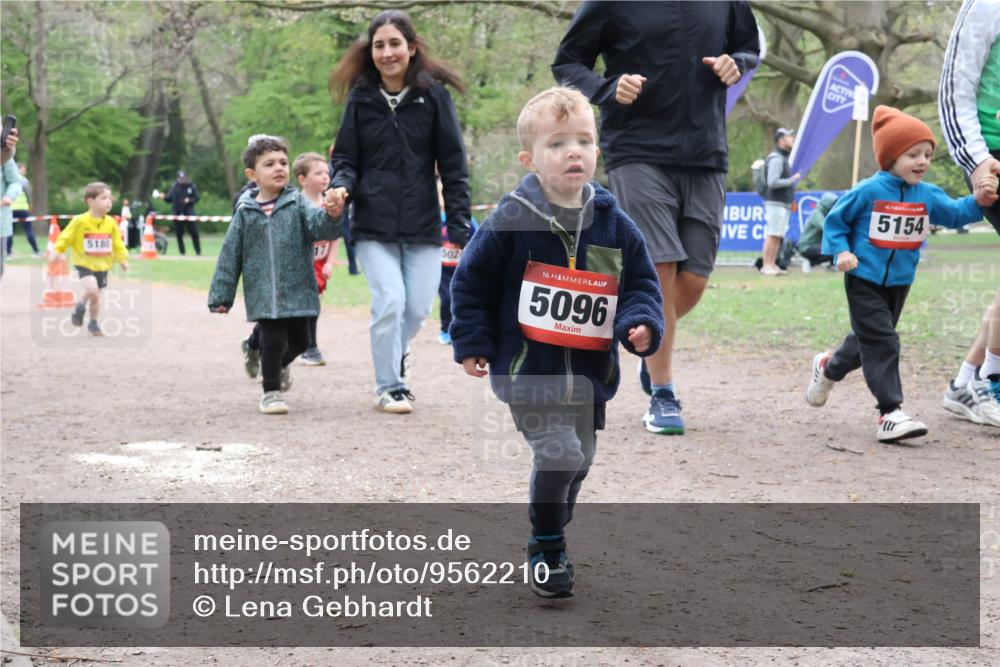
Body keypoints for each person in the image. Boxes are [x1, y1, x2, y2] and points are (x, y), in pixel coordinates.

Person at [450, 87, 663, 598]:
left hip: (590, 377)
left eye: (584, 141)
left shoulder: (615, 222)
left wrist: (640, 322)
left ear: (598, 150)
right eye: (557, 143)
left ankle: (553, 517)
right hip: (526, 370)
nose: (574, 152)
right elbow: (471, 281)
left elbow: (640, 284)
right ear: (528, 159)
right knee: (561, 453)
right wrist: (473, 339)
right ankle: (547, 545)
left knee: (579, 460)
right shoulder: (510, 218)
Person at [552, 0, 759, 435]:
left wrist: (735, 64)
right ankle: (663, 393)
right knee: (660, 266)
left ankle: (646, 341)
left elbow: (747, 46)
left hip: (706, 151)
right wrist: (608, 88)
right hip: (637, 148)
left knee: (695, 278)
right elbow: (568, 62)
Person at [805, 106, 996, 443]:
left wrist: (979, 199)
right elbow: (836, 220)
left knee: (868, 339)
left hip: (900, 282)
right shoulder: (868, 191)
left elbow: (954, 213)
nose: (922, 161)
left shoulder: (927, 194)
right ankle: (889, 412)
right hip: (864, 278)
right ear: (890, 157)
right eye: (912, 154)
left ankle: (828, 367)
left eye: (927, 154)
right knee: (883, 341)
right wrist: (842, 251)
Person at [328, 9, 472, 414]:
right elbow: (346, 159)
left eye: (395, 44)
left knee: (416, 309)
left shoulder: (434, 98)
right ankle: (390, 385)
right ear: (370, 52)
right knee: (389, 301)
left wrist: (459, 220)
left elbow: (454, 165)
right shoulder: (361, 98)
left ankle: (396, 356)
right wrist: (340, 187)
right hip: (372, 224)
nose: (387, 52)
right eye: (379, 45)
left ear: (411, 48)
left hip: (423, 222)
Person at [208, 135, 343, 415]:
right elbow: (230, 255)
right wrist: (222, 295)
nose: (279, 168)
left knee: (302, 342)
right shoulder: (245, 211)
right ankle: (270, 392)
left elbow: (321, 229)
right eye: (269, 164)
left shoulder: (298, 202)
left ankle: (276, 363)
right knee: (273, 339)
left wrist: (331, 215)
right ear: (252, 174)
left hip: (298, 287)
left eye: (282, 162)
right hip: (263, 290)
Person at [939, 0, 1000, 428]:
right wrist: (976, 159)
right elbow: (954, 88)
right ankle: (990, 379)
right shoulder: (987, 5)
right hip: (992, 154)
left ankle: (968, 379)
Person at [53, 182, 130, 336]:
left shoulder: (111, 222)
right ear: (90, 201)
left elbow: (117, 243)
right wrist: (58, 250)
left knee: (96, 298)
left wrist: (123, 259)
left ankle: (93, 323)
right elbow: (66, 236)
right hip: (84, 263)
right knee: (91, 289)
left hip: (103, 265)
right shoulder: (80, 221)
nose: (108, 201)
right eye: (103, 198)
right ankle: (80, 307)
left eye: (110, 198)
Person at [293, 151, 336, 366]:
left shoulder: (329, 202)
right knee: (299, 308)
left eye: (326, 172)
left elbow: (334, 235)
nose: (325, 177)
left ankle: (310, 346)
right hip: (300, 266)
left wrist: (330, 261)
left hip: (319, 265)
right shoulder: (295, 204)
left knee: (314, 305)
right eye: (318, 173)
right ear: (302, 179)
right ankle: (308, 346)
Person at [436, 175, 476, 345]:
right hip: (442, 270)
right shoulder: (433, 220)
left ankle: (464, 329)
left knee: (462, 301)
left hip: (460, 270)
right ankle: (446, 330)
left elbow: (477, 238)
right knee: (446, 300)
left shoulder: (466, 219)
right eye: (440, 194)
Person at [760, 128, 803, 275]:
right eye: (789, 136)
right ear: (781, 140)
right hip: (775, 203)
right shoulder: (776, 158)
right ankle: (766, 266)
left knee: (778, 235)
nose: (792, 138)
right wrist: (792, 179)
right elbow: (772, 182)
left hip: (783, 203)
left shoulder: (782, 158)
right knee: (772, 234)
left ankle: (772, 265)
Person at [798, 191, 838, 273]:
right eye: (832, 204)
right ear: (827, 204)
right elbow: (825, 228)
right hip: (806, 246)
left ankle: (831, 265)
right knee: (834, 248)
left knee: (835, 247)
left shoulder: (826, 213)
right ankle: (810, 262)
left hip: (816, 245)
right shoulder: (817, 214)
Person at [163, 170, 201, 256]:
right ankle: (182, 252)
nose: (182, 180)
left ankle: (198, 251)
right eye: (181, 178)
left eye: (184, 178)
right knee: (179, 234)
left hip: (189, 213)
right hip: (177, 213)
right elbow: (169, 199)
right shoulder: (174, 187)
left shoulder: (191, 186)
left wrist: (190, 200)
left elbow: (197, 198)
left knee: (194, 233)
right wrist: (164, 197)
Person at [7, 163, 40, 257]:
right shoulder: (24, 180)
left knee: (9, 231)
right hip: (23, 209)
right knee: (29, 230)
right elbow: (29, 194)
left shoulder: (9, 180)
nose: (25, 171)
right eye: (23, 169)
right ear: (18, 169)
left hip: (11, 208)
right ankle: (36, 251)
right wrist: (30, 204)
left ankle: (8, 253)